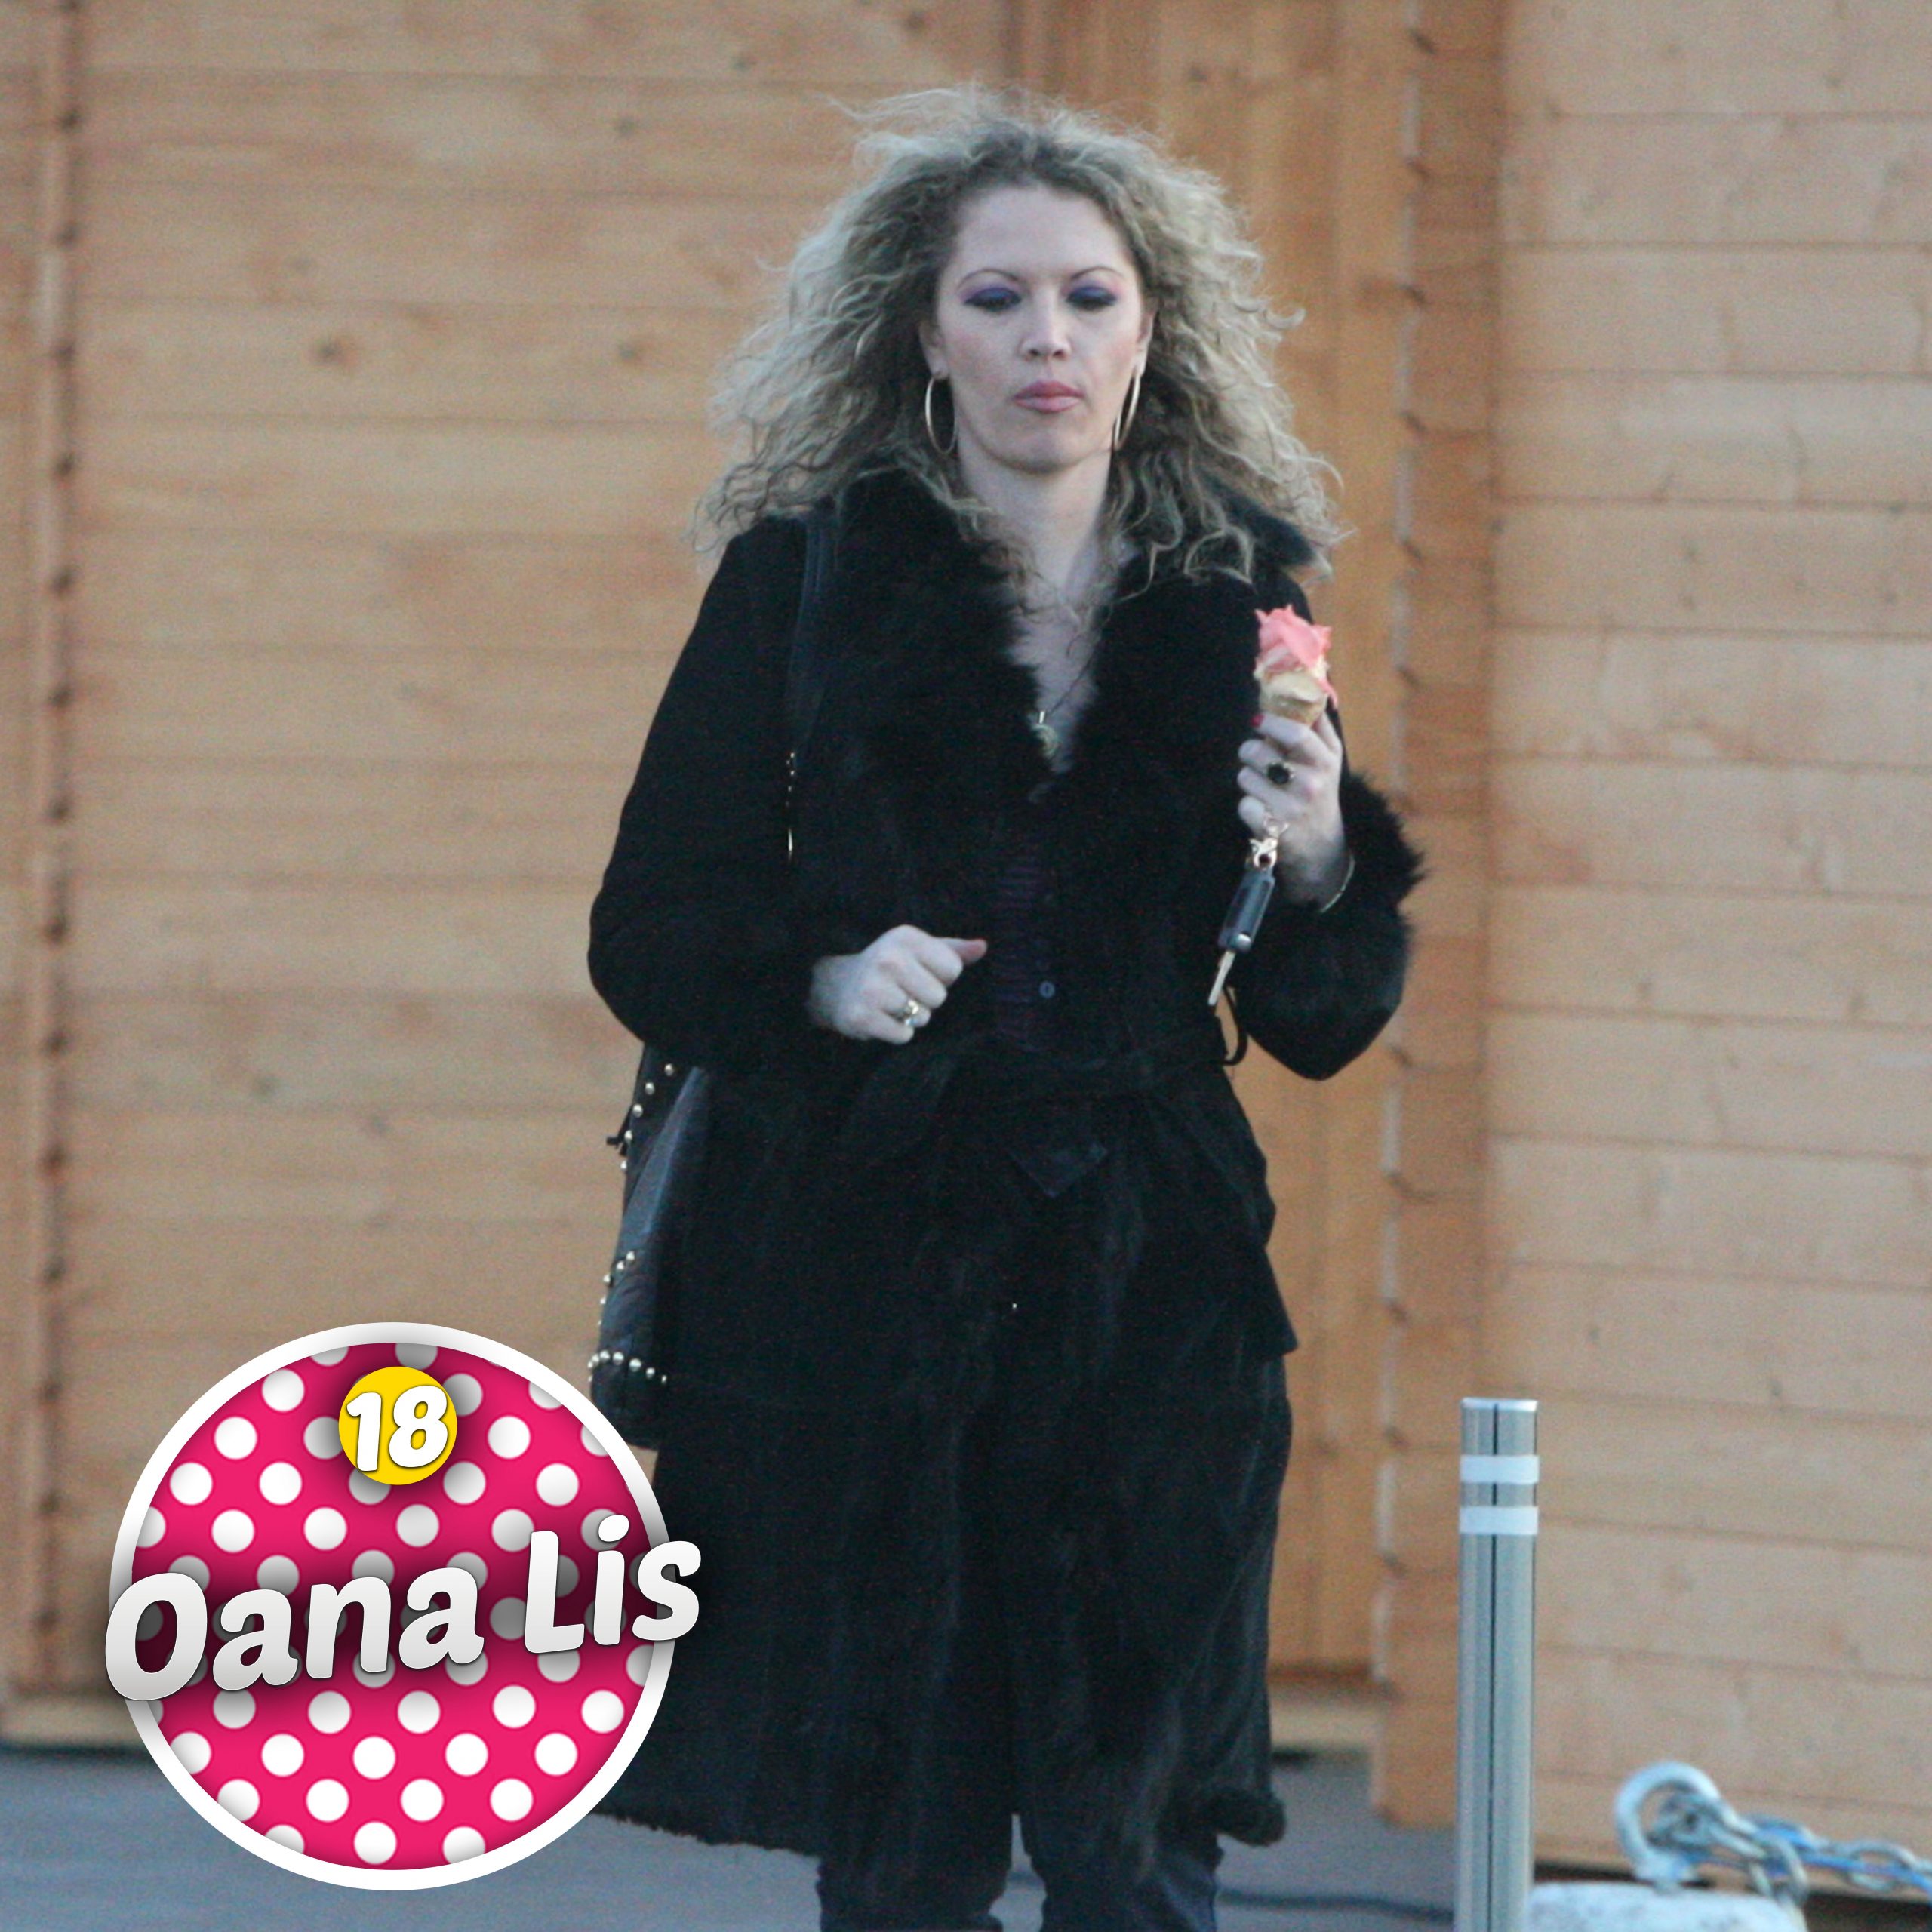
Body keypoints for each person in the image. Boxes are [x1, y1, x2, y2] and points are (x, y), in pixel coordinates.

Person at [587, 87, 1422, 1932]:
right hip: (863, 1266)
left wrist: (1312, 857)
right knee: (904, 1839)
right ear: (924, 330)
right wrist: (821, 978)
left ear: (1148, 329)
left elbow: (1321, 1010)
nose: (1046, 337)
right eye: (997, 297)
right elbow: (651, 923)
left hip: (1154, 1280)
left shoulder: (1240, 595)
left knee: (1140, 1843)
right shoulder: (805, 578)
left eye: (1087, 297)